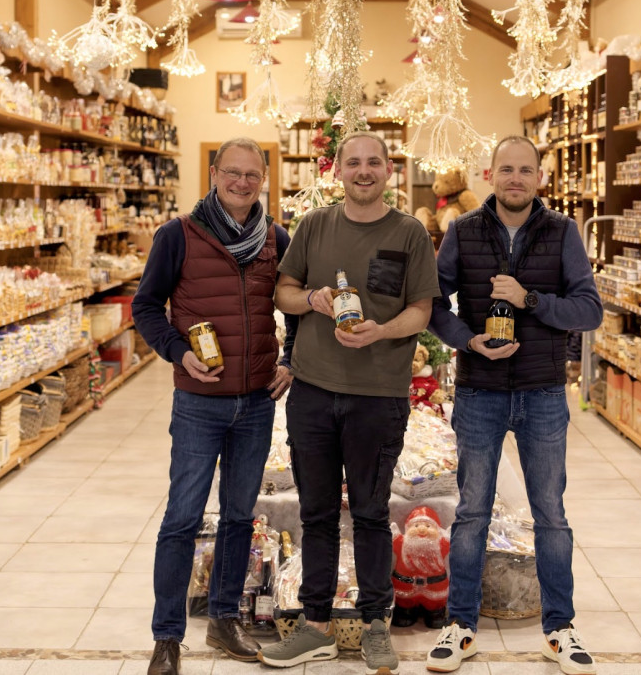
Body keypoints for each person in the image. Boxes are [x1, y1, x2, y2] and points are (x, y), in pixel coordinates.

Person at [258, 130, 440, 675]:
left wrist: (381, 332)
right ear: (337, 170)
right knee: (315, 513)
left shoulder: (409, 233)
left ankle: (375, 625)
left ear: (389, 170)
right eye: (353, 163)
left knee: (369, 513)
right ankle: (314, 628)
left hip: (378, 396)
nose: (364, 171)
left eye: (374, 162)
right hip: (312, 391)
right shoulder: (314, 225)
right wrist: (312, 299)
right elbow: (282, 292)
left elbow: (421, 311)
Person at [424, 135, 603, 675]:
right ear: (491, 175)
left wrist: (530, 300)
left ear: (540, 179)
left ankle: (559, 629)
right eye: (507, 170)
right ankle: (461, 627)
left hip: (543, 392)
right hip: (479, 390)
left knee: (550, 514)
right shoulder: (463, 231)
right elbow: (432, 303)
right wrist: (464, 340)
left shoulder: (563, 231)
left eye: (526, 170)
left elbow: (589, 311)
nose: (516, 179)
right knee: (472, 512)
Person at [132, 137, 296, 675]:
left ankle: (224, 620)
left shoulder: (276, 238)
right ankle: (167, 638)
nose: (242, 183)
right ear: (213, 173)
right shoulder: (177, 235)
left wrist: (290, 359)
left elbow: (296, 305)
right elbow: (147, 306)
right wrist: (178, 352)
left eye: (253, 175)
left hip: (255, 402)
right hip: (199, 404)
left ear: (263, 180)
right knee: (181, 519)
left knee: (239, 517)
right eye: (233, 172)